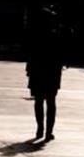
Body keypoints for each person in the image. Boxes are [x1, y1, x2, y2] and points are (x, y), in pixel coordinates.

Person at [25, 7, 64, 141]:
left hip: (37, 71)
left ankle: (40, 128)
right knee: (51, 102)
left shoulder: (35, 35)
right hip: (52, 72)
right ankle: (49, 131)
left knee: (39, 101)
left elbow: (30, 55)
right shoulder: (56, 35)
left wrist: (29, 71)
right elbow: (60, 56)